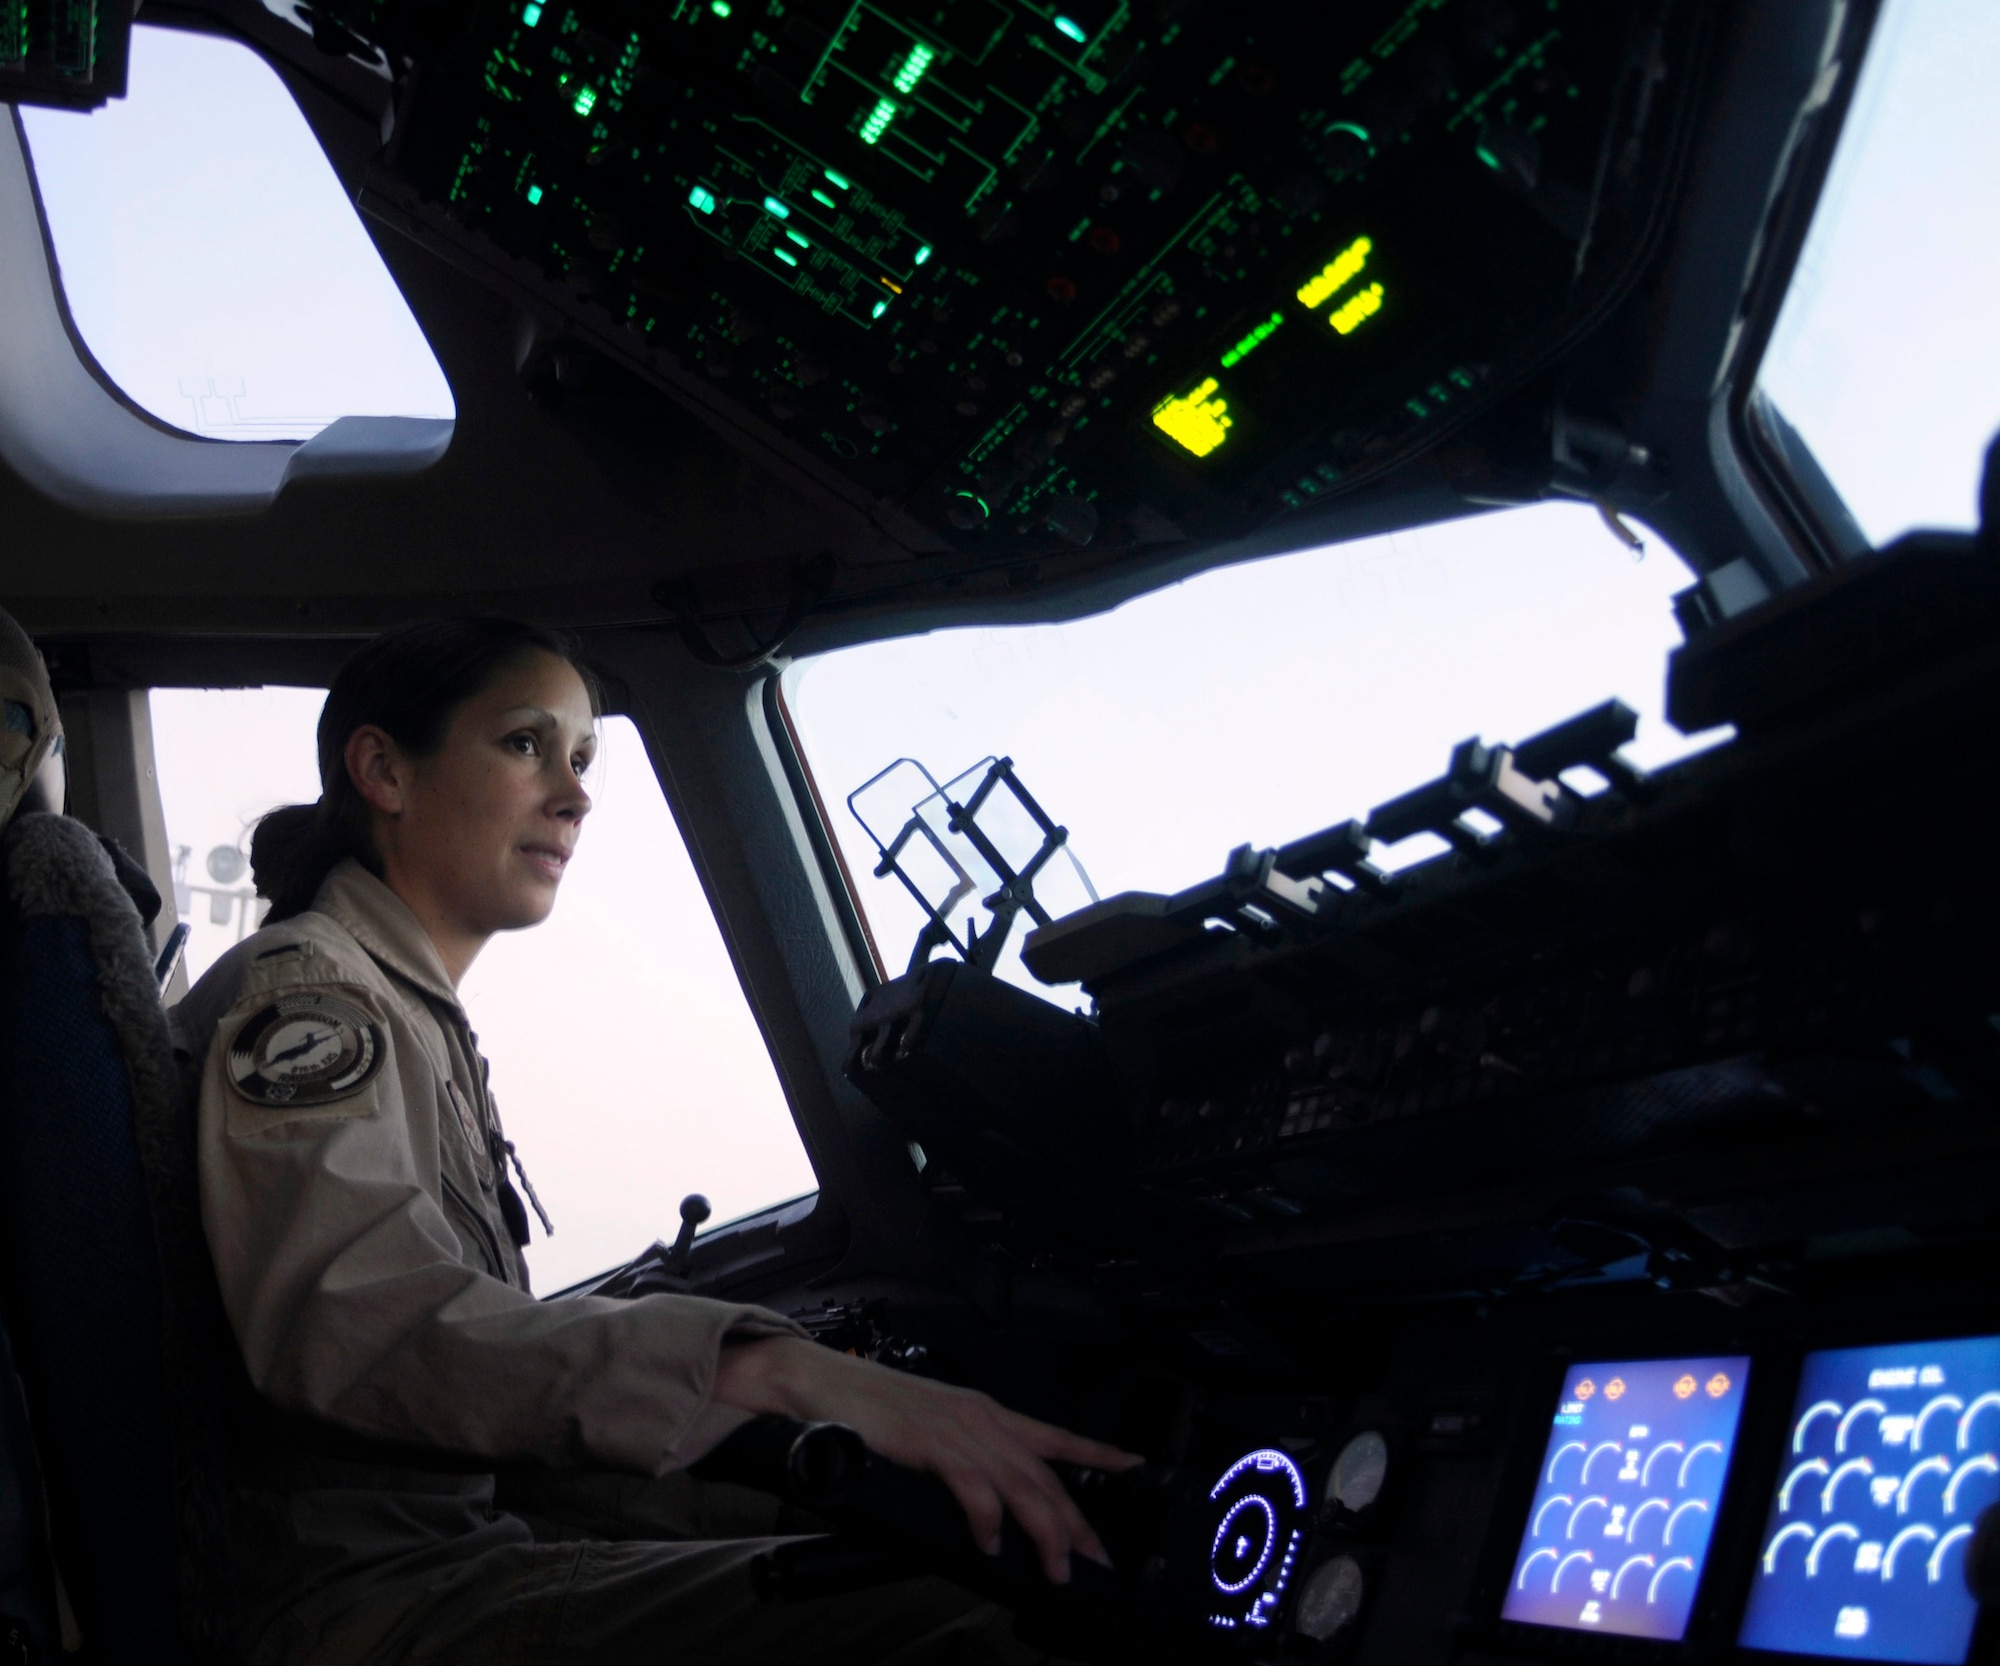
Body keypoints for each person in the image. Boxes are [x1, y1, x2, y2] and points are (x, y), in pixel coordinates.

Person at [172, 618, 1136, 1666]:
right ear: (383, 769)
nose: (575, 793)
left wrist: (791, 1466)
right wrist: (779, 1376)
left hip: (441, 1558)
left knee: (925, 1545)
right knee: (998, 1619)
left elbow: (465, 1404)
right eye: (525, 744)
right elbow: (354, 1327)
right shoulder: (312, 998)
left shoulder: (405, 1014)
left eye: (581, 757)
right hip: (362, 1610)